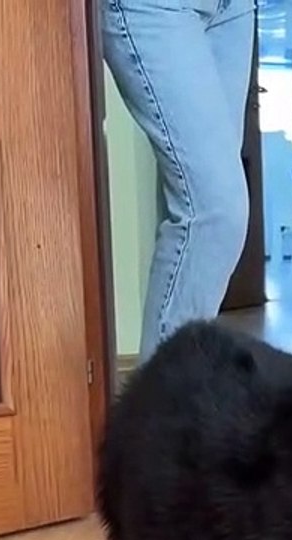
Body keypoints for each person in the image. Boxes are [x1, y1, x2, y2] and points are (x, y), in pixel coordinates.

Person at [102, 0, 255, 358]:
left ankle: (171, 398)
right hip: (157, 6)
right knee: (215, 214)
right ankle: (166, 407)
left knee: (198, 218)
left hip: (234, 11)